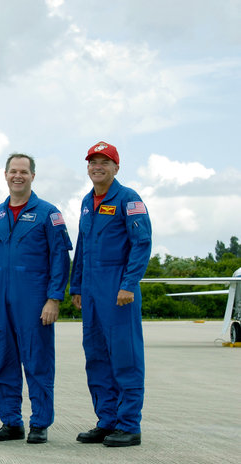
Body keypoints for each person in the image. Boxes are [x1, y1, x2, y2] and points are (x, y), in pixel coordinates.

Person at [0, 154, 72, 445]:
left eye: (24, 171)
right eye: (13, 171)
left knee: (37, 361)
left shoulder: (48, 213)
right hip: (1, 300)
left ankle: (39, 423)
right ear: (5, 175)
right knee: (3, 361)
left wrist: (54, 298)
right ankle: (11, 422)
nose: (18, 176)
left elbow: (60, 258)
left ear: (33, 176)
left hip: (34, 300)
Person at [70, 141, 152, 447]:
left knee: (125, 356)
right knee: (97, 357)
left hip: (118, 288)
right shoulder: (86, 202)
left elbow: (141, 243)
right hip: (90, 290)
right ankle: (106, 420)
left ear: (116, 168)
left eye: (104, 162)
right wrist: (76, 286)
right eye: (93, 162)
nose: (98, 167)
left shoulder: (129, 199)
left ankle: (129, 424)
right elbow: (82, 247)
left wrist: (129, 284)